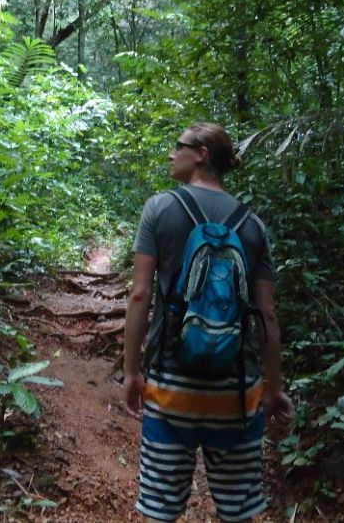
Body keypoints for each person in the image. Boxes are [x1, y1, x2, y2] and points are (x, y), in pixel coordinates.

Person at [123, 122, 294, 522]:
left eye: (177, 146)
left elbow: (139, 295)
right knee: (238, 512)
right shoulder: (253, 225)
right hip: (236, 393)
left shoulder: (160, 209)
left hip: (171, 390)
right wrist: (274, 388)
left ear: (201, 154)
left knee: (160, 510)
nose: (171, 154)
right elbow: (266, 313)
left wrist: (132, 371)